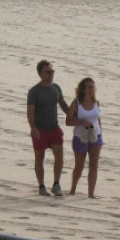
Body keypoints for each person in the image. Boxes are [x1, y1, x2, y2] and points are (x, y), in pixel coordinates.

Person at [27, 60, 71, 197]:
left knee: (59, 155)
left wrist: (74, 114)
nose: (50, 74)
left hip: (54, 128)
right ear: (40, 74)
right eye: (47, 72)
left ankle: (56, 184)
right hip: (40, 129)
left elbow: (63, 105)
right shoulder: (34, 92)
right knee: (39, 158)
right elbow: (30, 112)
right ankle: (41, 186)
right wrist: (33, 128)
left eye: (52, 72)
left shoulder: (56, 88)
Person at [66, 77, 104, 198]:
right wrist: (82, 122)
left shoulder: (96, 103)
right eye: (89, 87)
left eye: (93, 87)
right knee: (79, 166)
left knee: (94, 165)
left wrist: (100, 131)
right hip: (80, 137)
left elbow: (98, 118)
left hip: (95, 136)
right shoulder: (76, 104)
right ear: (82, 89)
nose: (91, 89)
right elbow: (68, 121)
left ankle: (91, 194)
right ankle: (72, 189)